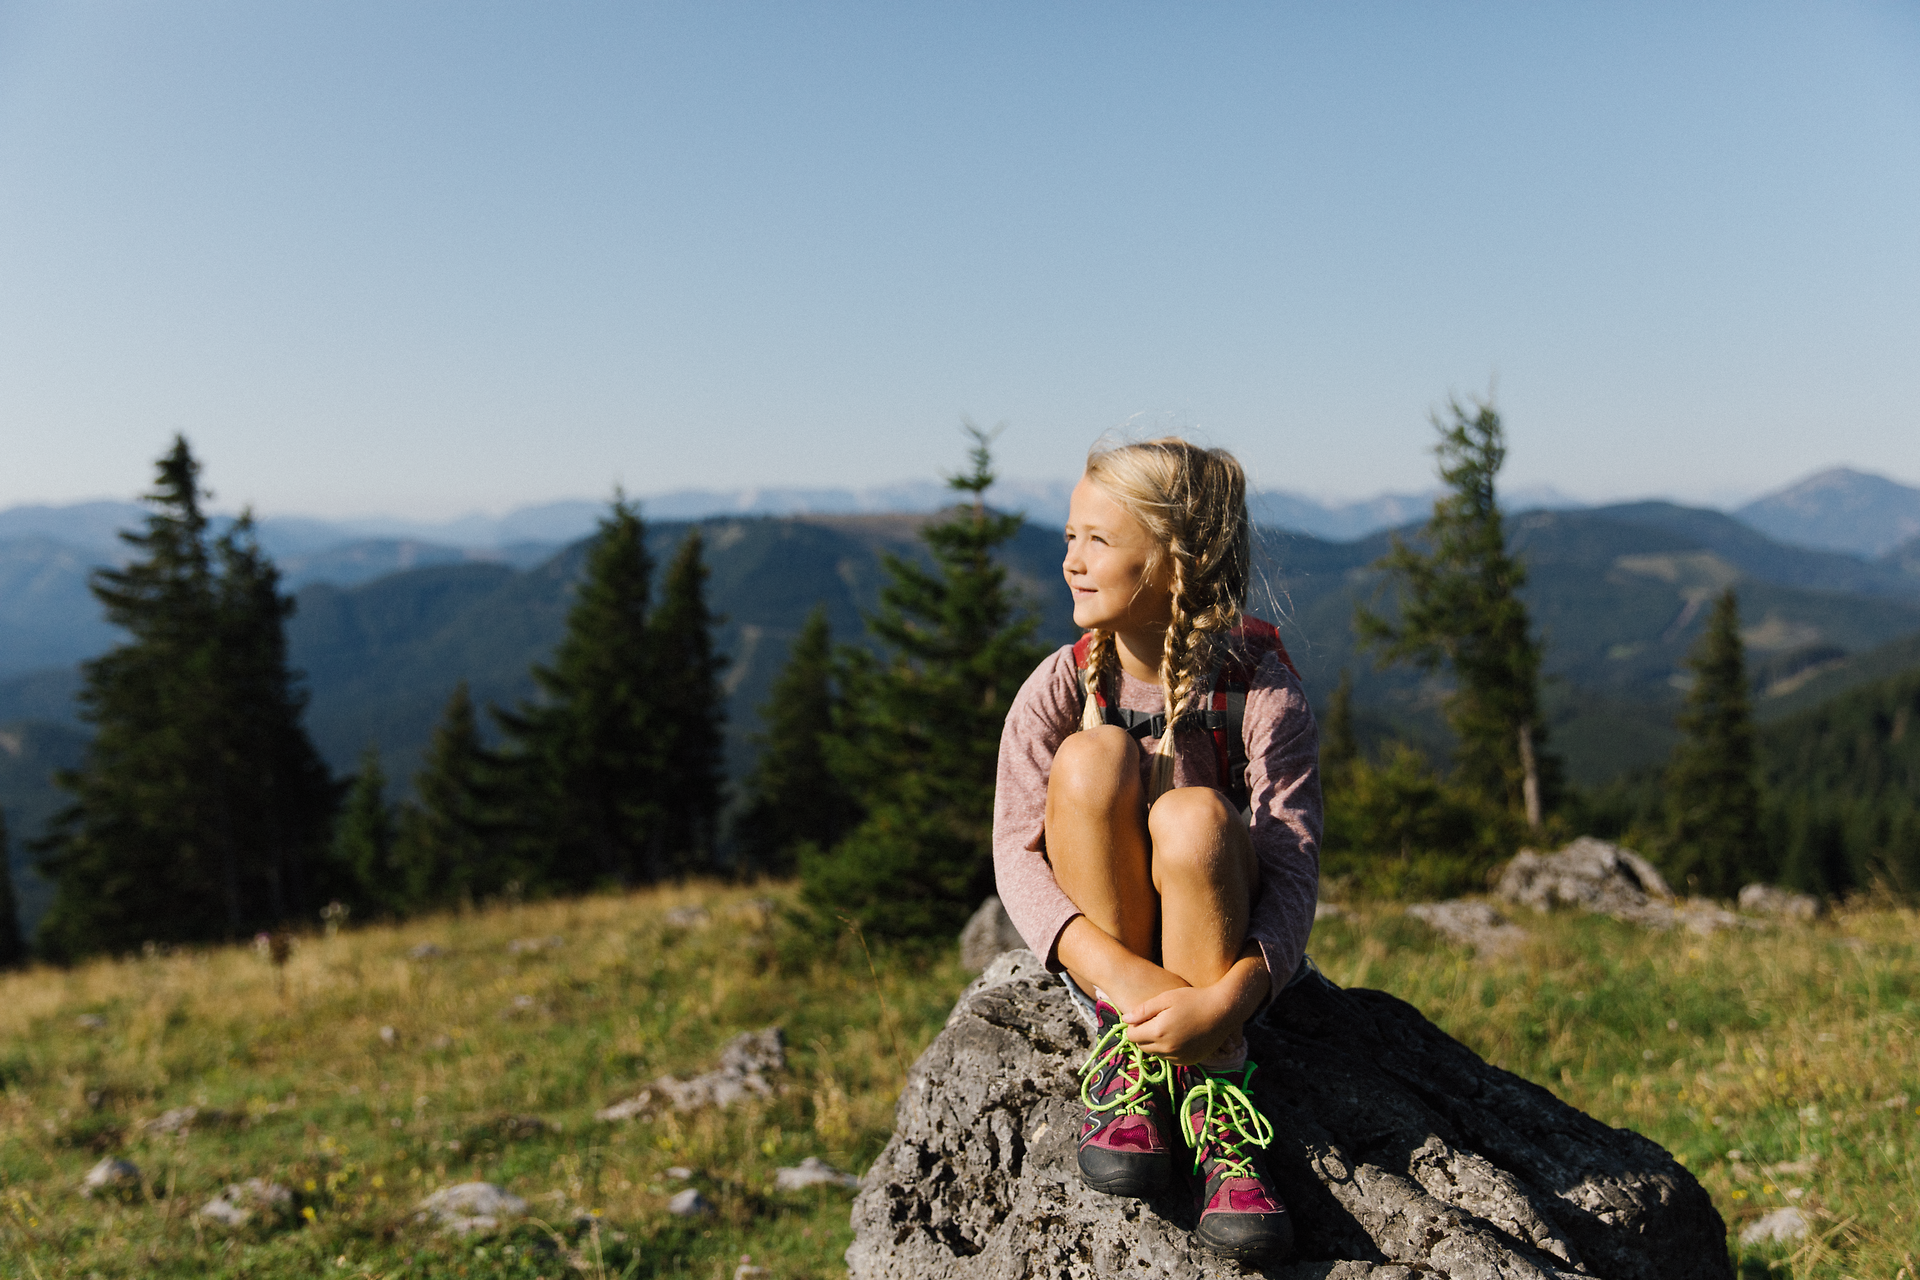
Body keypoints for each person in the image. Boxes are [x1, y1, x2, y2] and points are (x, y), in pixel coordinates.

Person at [992, 437, 1321, 1261]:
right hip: (1112, 975)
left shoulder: (1260, 689)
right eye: (1070, 536)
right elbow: (1014, 852)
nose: (1071, 560)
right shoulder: (1063, 684)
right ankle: (1128, 1048)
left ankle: (1215, 1087)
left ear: (1177, 564)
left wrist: (1228, 1003)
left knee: (1196, 818)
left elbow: (1291, 871)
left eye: (1098, 540)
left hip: (1221, 978)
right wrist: (1122, 978)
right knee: (1092, 758)